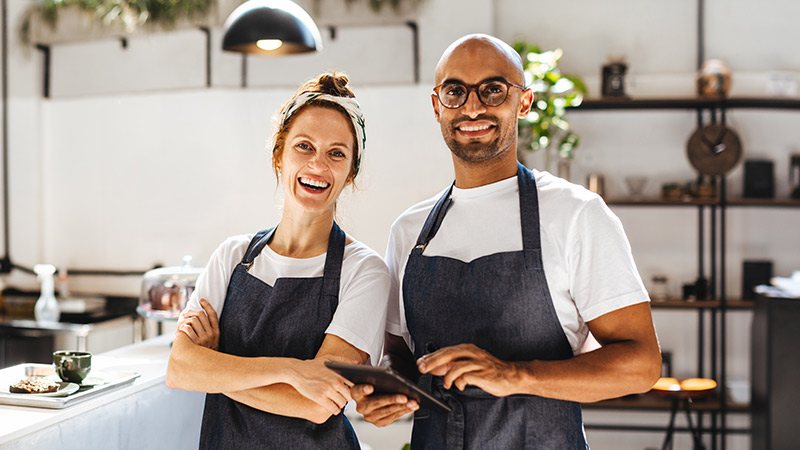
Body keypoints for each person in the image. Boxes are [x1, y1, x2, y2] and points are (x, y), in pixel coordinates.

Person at [352, 34, 662, 449]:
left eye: (493, 90)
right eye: (455, 91)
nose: (472, 107)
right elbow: (397, 349)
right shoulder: (410, 231)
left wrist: (515, 374)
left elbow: (641, 365)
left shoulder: (576, 214)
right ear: (436, 106)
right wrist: (391, 390)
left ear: (524, 102)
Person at [166, 72, 390, 450]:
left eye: (337, 153)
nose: (318, 165)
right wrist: (294, 370)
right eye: (304, 146)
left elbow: (316, 403)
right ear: (278, 156)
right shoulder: (233, 256)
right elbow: (180, 369)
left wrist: (218, 365)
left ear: (350, 172)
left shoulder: (364, 271)